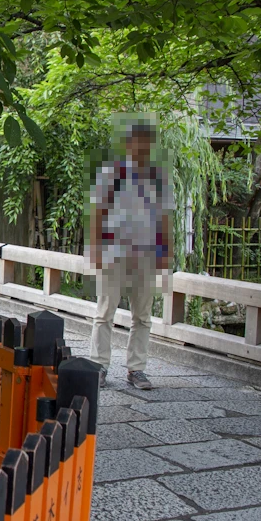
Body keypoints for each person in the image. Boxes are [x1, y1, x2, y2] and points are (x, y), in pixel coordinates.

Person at [88, 117, 174, 389]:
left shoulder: (159, 177)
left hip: (146, 254)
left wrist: (164, 255)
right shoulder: (110, 173)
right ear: (127, 143)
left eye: (146, 141)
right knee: (104, 312)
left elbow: (164, 218)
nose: (141, 146)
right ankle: (99, 365)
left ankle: (136, 369)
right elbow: (98, 214)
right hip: (114, 251)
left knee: (143, 316)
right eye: (136, 141)